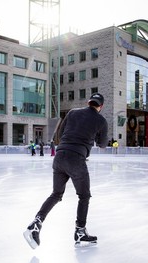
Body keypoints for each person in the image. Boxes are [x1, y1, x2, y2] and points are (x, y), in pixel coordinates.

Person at [24, 93, 108, 249]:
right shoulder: (101, 120)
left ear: (88, 102)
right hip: (76, 159)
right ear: (101, 106)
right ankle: (80, 231)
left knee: (56, 194)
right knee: (84, 196)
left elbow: (60, 135)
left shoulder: (73, 112)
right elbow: (102, 144)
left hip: (60, 156)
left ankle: (36, 223)